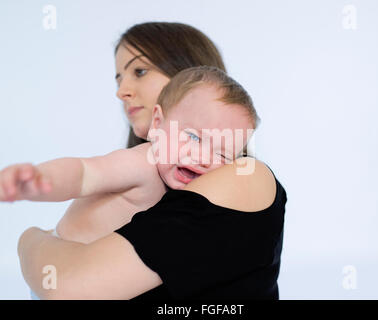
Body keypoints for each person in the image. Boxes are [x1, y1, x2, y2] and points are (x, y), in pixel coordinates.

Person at [15, 22, 287, 299]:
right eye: (119, 78)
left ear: (189, 72)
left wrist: (31, 241)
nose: (122, 91)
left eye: (140, 71)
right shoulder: (149, 171)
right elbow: (85, 174)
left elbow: (69, 288)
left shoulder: (244, 176)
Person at [0, 66, 258, 244]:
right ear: (157, 124)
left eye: (222, 154)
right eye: (193, 137)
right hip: (65, 265)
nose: (203, 158)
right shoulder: (142, 163)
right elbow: (84, 174)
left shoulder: (206, 191)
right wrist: (40, 180)